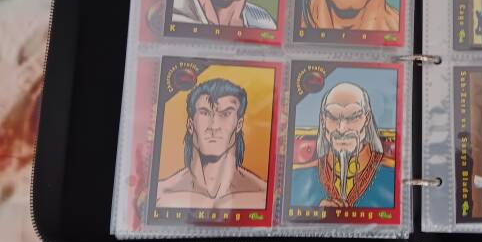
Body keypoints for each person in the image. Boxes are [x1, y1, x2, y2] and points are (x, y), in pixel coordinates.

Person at [156, 79, 267, 209]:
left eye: (225, 114)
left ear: (239, 125)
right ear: (190, 125)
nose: (214, 126)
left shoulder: (262, 195)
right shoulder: (161, 194)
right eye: (205, 113)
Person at [291, 82, 394, 208]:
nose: (342, 129)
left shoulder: (392, 176)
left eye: (353, 117)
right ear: (323, 120)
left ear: (366, 119)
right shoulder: (298, 179)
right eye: (333, 117)